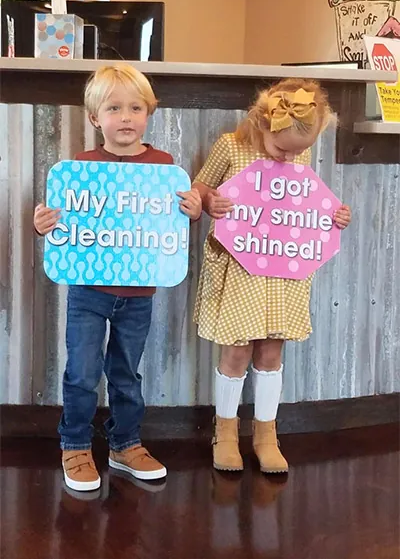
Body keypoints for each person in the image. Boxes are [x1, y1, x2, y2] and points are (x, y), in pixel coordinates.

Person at [34, 64, 202, 491]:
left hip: (139, 293)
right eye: (113, 108)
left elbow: (172, 227)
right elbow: (61, 224)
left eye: (135, 108)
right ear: (95, 118)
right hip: (88, 291)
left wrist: (193, 212)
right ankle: (74, 445)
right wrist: (43, 223)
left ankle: (126, 444)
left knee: (127, 372)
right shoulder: (80, 169)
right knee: (82, 371)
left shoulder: (164, 168)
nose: (125, 117)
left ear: (148, 113)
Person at [192, 79, 351, 473]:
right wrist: (212, 202)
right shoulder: (230, 146)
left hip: (284, 268)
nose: (288, 157)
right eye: (282, 149)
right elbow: (199, 187)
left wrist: (332, 217)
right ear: (263, 123)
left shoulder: (301, 149)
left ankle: (266, 434)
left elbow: (304, 200)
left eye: (297, 151)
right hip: (241, 267)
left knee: (271, 352)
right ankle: (225, 432)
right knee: (237, 351)